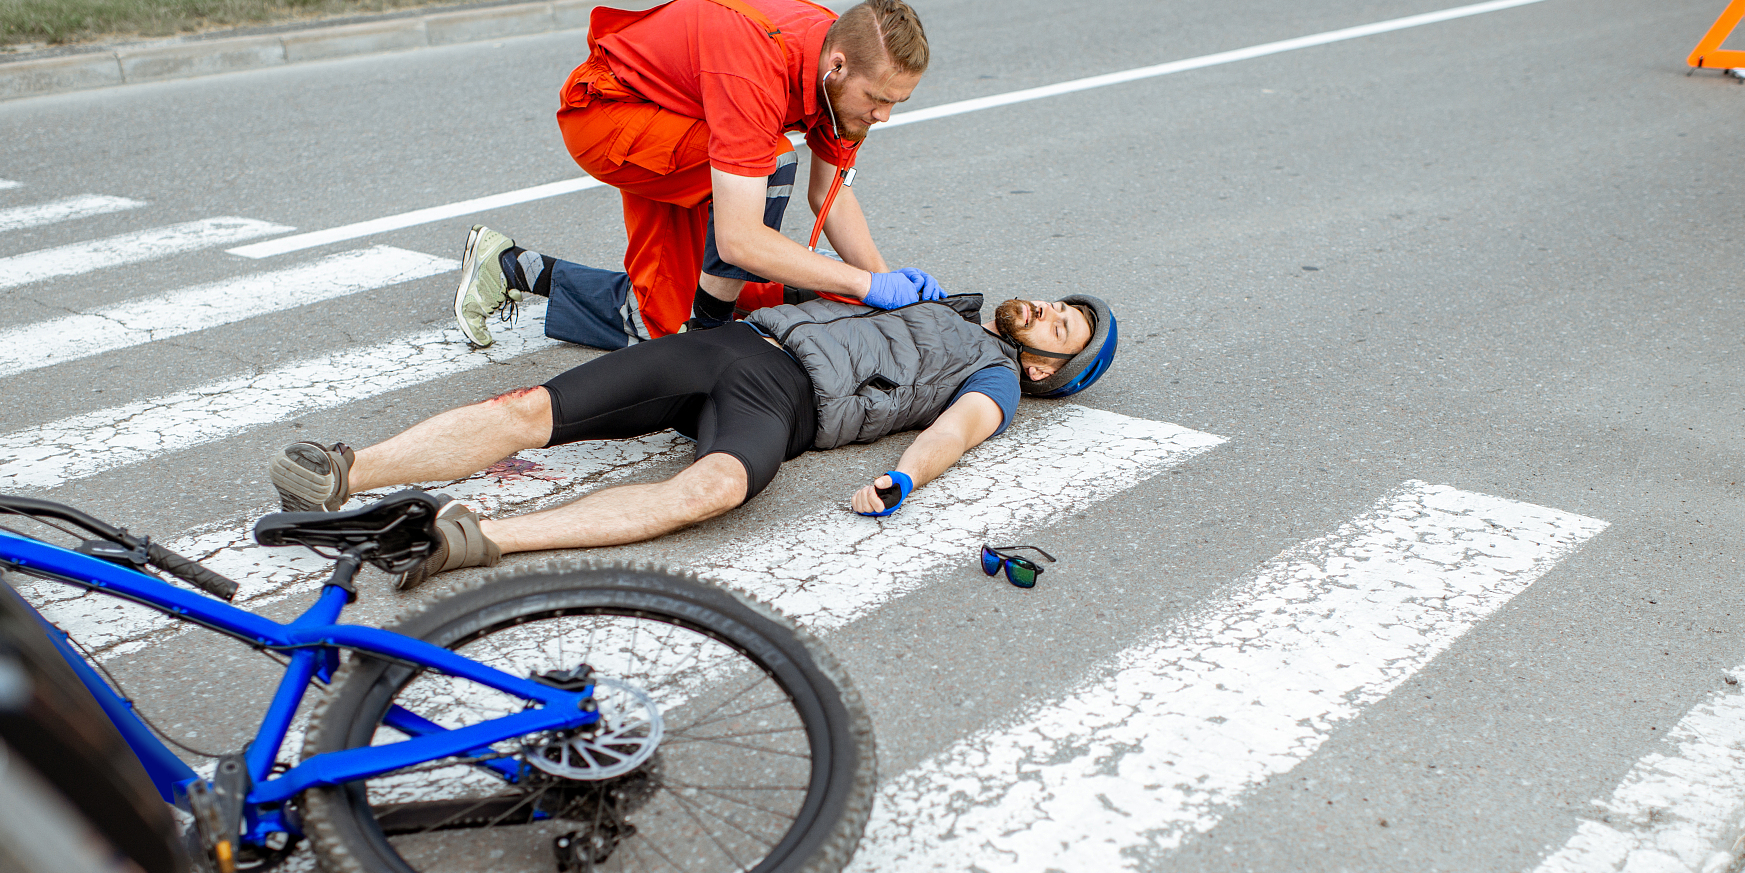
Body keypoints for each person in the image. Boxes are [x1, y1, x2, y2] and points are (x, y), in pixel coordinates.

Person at [270, 289, 1119, 588]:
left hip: (783, 403)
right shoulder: (949, 300)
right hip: (736, 343)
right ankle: (347, 471)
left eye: (1065, 326)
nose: (1047, 310)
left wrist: (903, 479)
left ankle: (474, 537)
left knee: (711, 489)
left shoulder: (998, 377)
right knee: (535, 407)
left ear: (1050, 371)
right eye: (1056, 302)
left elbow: (956, 434)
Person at [453, 0, 945, 351]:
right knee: (772, 164)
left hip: (683, 120)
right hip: (609, 116)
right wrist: (862, 285)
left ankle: (506, 264)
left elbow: (829, 194)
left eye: (896, 102)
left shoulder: (840, 64)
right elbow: (739, 240)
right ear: (835, 67)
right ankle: (707, 338)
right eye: (878, 100)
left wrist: (888, 287)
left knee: (653, 322)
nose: (884, 116)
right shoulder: (757, 66)